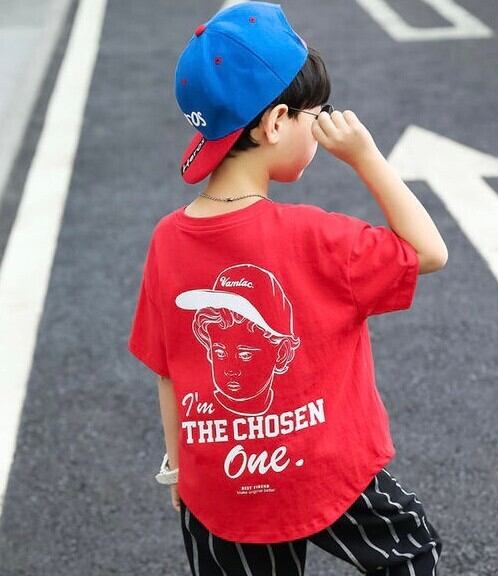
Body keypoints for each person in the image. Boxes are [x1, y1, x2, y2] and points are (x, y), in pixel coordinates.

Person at [127, 2, 448, 575]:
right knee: (409, 548)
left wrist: (178, 467)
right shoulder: (318, 236)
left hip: (222, 483)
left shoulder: (167, 240)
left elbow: (168, 369)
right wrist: (365, 156)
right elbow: (429, 252)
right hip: (329, 468)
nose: (319, 130)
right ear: (276, 122)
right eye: (313, 117)